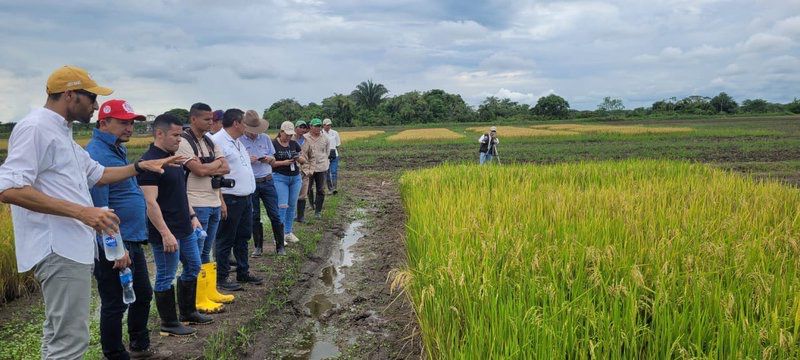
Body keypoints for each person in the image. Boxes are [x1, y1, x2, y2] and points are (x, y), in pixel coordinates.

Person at [0, 65, 182, 359]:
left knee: (60, 336)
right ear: (70, 94)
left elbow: (97, 174)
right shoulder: (35, 128)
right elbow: (9, 188)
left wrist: (138, 167)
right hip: (58, 246)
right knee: (70, 341)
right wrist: (83, 212)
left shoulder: (63, 134)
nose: (96, 106)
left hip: (72, 246)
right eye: (91, 98)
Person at [87, 100, 171, 359]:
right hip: (115, 244)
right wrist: (115, 248)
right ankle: (114, 353)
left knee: (142, 294)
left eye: (132, 122)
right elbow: (100, 207)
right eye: (123, 122)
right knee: (114, 303)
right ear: (104, 123)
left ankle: (139, 345)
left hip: (131, 239)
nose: (130, 127)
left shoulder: (116, 150)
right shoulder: (97, 155)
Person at [138, 113, 213, 337]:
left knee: (194, 266)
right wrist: (165, 233)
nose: (179, 140)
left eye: (181, 135)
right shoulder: (150, 162)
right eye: (175, 135)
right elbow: (150, 202)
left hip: (185, 227)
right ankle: (168, 322)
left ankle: (188, 312)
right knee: (165, 274)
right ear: (159, 133)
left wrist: (192, 216)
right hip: (166, 231)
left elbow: (181, 193)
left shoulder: (174, 159)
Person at [176, 102, 233, 314]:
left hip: (213, 202)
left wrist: (206, 167)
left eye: (212, 119)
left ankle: (209, 292)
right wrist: (212, 167)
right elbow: (197, 170)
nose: (212, 122)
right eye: (207, 119)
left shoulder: (209, 141)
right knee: (196, 253)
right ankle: (198, 299)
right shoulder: (183, 142)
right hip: (195, 203)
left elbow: (226, 167)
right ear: (193, 119)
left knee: (207, 251)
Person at [210, 109, 263, 289]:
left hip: (245, 197)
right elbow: (214, 175)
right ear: (236, 123)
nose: (247, 127)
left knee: (242, 237)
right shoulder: (217, 141)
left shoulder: (237, 141)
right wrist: (221, 201)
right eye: (244, 123)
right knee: (225, 239)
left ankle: (243, 272)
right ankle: (222, 277)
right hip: (229, 197)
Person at [238, 110, 286, 256]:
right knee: (254, 215)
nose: (255, 133)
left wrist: (268, 159)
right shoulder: (239, 141)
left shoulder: (265, 138)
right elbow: (236, 163)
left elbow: (273, 157)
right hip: (251, 183)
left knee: (275, 214)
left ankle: (280, 246)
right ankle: (258, 247)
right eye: (252, 131)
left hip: (267, 181)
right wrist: (247, 159)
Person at [272, 121, 306, 243]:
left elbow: (302, 159)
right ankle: (278, 236)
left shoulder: (293, 144)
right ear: (281, 132)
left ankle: (288, 232)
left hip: (295, 177)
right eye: (286, 135)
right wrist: (283, 163)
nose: (289, 137)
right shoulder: (273, 144)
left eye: (291, 135)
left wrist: (298, 158)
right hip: (280, 177)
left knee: (292, 205)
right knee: (282, 205)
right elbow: (270, 163)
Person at [302, 118, 330, 219]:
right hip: (308, 168)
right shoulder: (305, 137)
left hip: (321, 167)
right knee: (307, 188)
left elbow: (327, 152)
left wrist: (324, 162)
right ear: (310, 127)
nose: (318, 128)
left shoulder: (325, 138)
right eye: (316, 126)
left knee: (321, 189)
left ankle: (318, 211)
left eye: (319, 126)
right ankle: (311, 204)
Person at [291, 120, 310, 223]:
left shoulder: (307, 141)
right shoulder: (290, 139)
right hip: (293, 170)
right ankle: (292, 215)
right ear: (295, 128)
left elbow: (312, 156)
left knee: (303, 194)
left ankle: (301, 217)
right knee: (293, 194)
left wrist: (311, 169)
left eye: (304, 128)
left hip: (305, 171)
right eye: (300, 127)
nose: (302, 129)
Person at [322, 118, 341, 195]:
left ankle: (334, 188)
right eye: (327, 125)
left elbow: (337, 144)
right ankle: (330, 188)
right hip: (325, 156)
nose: (329, 126)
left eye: (330, 125)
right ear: (323, 125)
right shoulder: (321, 133)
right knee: (327, 173)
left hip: (334, 155)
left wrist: (333, 151)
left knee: (334, 172)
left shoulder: (335, 133)